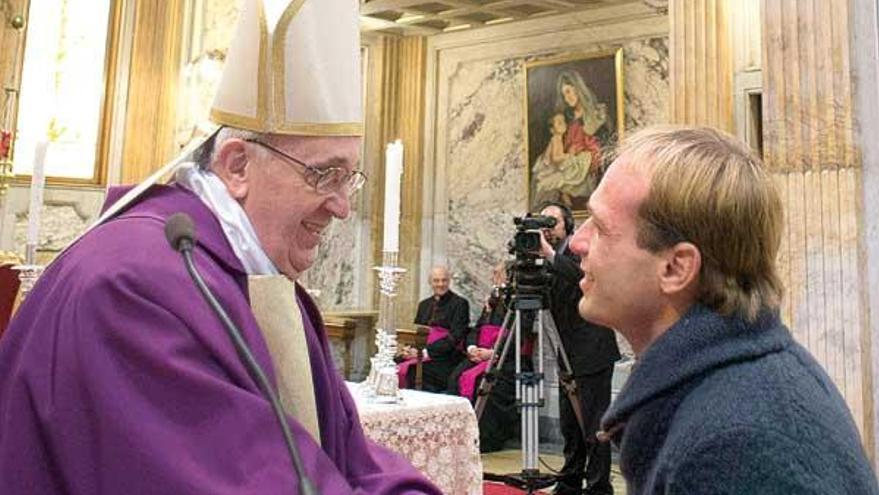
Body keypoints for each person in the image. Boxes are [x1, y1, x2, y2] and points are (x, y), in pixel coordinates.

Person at [0, 1, 441, 494]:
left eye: (349, 178)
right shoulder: (132, 286)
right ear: (236, 166)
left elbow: (344, 454)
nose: (341, 207)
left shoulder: (255, 280)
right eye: (324, 175)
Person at [571, 126, 879, 494]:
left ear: (675, 268)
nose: (577, 241)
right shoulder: (727, 389)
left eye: (602, 228)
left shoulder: (734, 446)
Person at [538, 201, 620, 495]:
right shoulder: (545, 259)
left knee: (593, 423)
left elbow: (581, 278)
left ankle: (599, 486)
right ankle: (570, 482)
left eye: (553, 223)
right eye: (543, 223)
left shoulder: (580, 252)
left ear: (567, 226)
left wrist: (548, 256)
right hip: (566, 353)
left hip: (592, 351)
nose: (547, 230)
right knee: (570, 425)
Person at [533, 71, 608, 209]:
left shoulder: (597, 114)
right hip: (570, 164)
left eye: (568, 92)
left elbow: (601, 146)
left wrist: (581, 153)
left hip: (586, 166)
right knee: (544, 182)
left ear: (577, 88)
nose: (566, 98)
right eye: (563, 95)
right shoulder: (567, 118)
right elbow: (561, 145)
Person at [398, 266, 470, 393]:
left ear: (449, 281)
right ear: (430, 282)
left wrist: (425, 352)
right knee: (392, 364)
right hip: (423, 352)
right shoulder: (424, 305)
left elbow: (455, 337)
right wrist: (409, 349)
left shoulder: (460, 304)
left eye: (444, 280)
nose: (440, 284)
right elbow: (417, 333)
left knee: (415, 371)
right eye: (436, 281)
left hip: (445, 358)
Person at [447, 261, 509, 400]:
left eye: (497, 274)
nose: (492, 278)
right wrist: (472, 347)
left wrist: (493, 353)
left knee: (479, 383)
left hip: (502, 358)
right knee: (454, 378)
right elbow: (477, 329)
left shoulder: (512, 302)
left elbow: (517, 335)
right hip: (479, 354)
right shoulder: (492, 301)